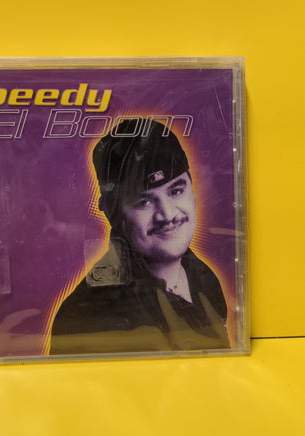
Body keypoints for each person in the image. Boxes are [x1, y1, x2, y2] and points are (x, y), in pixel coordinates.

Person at [50, 119, 229, 355]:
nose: (168, 215)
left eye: (176, 191)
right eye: (144, 202)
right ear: (113, 213)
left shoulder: (204, 278)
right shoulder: (89, 317)